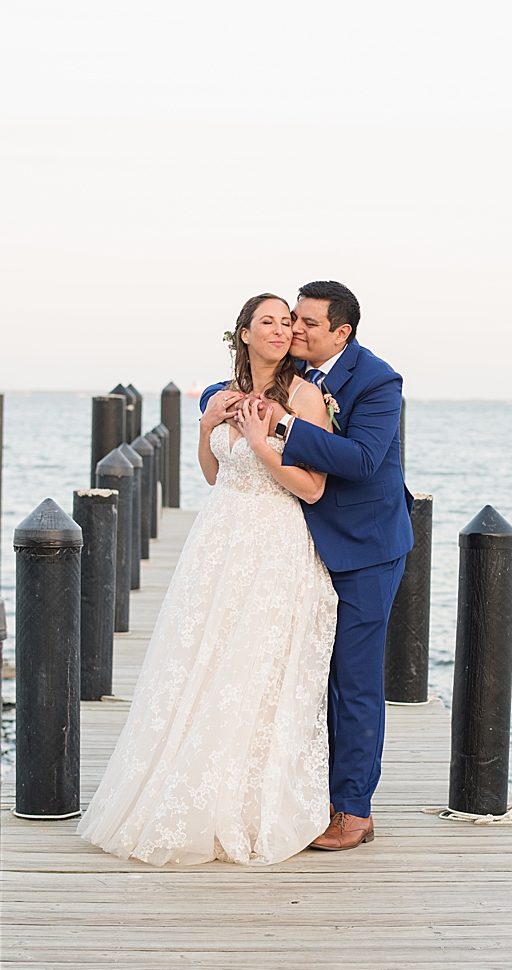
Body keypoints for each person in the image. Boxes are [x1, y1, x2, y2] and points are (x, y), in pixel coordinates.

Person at [77, 292, 337, 866]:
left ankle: (247, 805)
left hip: (275, 541)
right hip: (219, 540)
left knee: (255, 667)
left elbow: (313, 487)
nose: (278, 330)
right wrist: (207, 430)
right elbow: (216, 476)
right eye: (265, 322)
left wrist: (261, 442)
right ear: (242, 334)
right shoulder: (223, 395)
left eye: (284, 322)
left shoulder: (305, 395)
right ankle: (187, 791)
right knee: (202, 659)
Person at [203, 280, 413, 851]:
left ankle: (353, 810)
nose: (294, 330)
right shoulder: (295, 374)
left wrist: (279, 427)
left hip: (364, 547)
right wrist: (214, 409)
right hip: (294, 544)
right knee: (298, 673)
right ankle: (302, 792)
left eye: (308, 324)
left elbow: (366, 460)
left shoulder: (376, 380)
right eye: (291, 319)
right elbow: (233, 387)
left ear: (341, 333)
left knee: (355, 679)